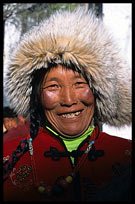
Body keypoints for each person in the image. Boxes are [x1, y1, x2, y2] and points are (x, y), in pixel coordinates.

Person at [3, 8, 132, 202]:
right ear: (36, 95)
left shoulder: (126, 156)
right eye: (53, 86)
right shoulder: (8, 158)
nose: (69, 100)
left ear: (99, 90)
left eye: (79, 84)